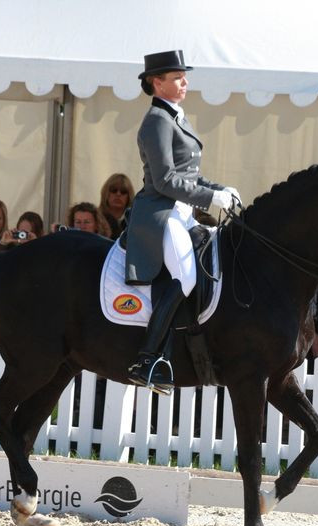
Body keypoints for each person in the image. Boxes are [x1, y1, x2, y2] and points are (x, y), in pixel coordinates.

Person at [125, 50, 239, 392]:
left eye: (183, 76)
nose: (184, 81)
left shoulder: (175, 117)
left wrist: (220, 190)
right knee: (188, 277)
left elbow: (189, 175)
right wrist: (209, 199)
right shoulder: (156, 122)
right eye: (176, 77)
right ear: (155, 82)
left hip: (183, 214)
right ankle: (147, 361)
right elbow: (164, 181)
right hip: (161, 215)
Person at [98, 173, 135, 239]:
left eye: (123, 191)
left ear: (129, 196)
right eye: (114, 190)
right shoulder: (96, 218)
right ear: (106, 193)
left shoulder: (134, 221)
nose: (118, 194)